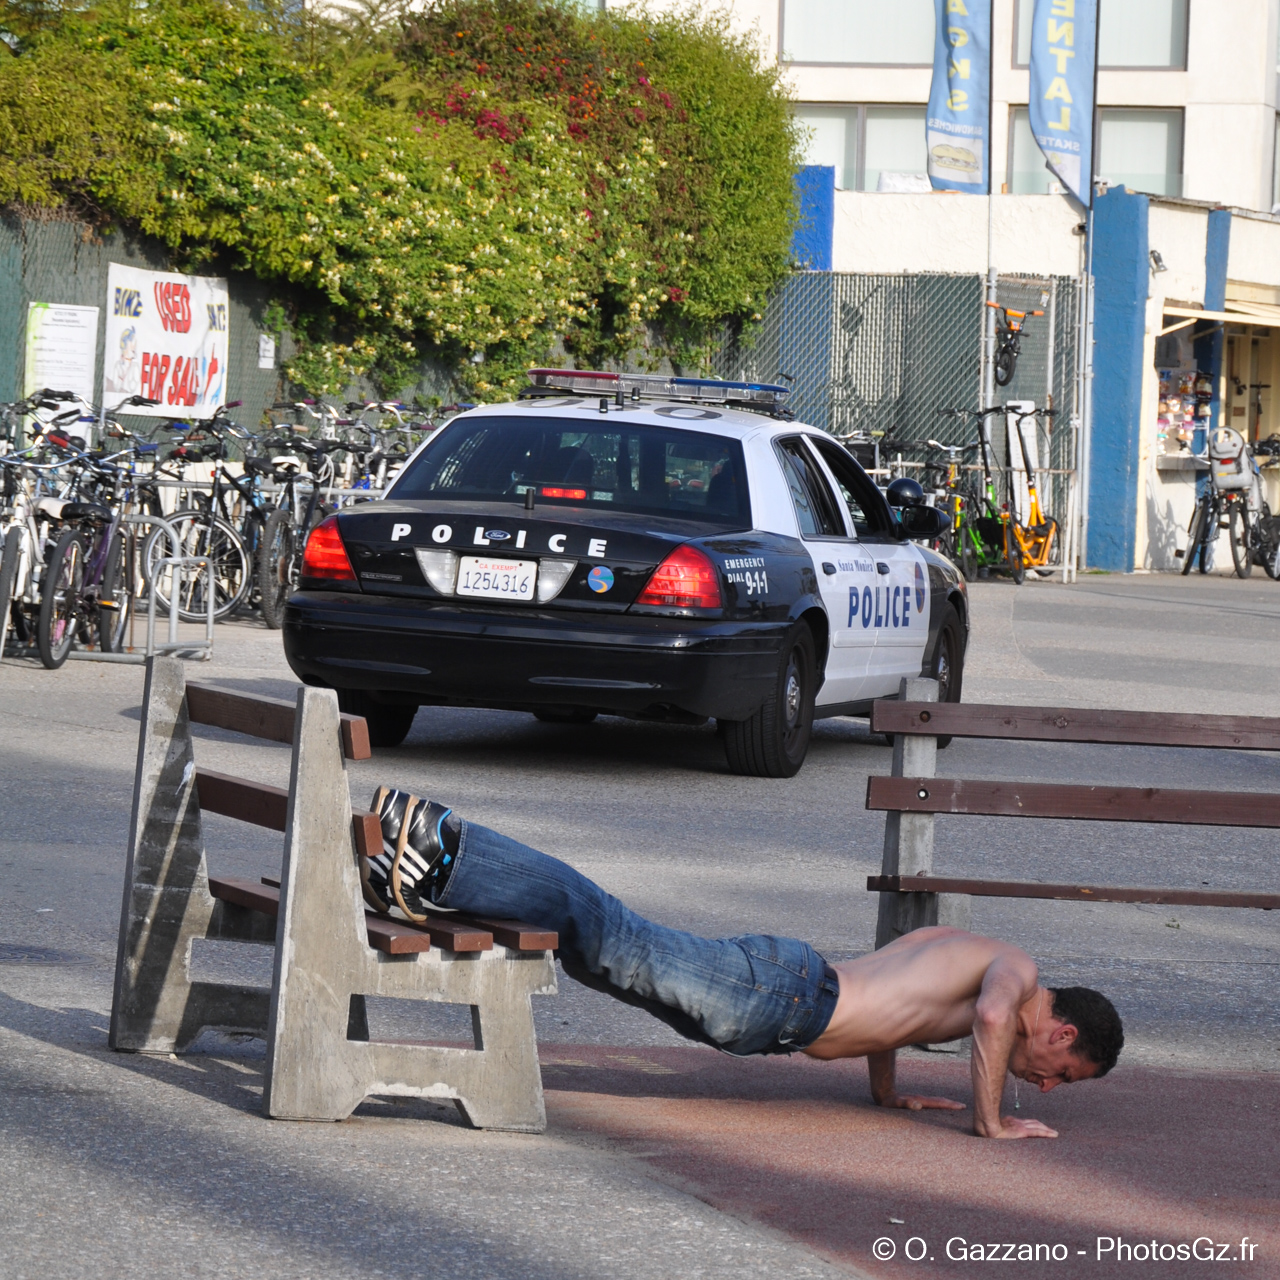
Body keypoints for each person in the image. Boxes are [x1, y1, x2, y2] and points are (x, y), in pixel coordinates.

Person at [366, 788, 1124, 1142]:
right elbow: (989, 1019)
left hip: (791, 994)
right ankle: (444, 840)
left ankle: (425, 875)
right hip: (787, 998)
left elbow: (896, 1010)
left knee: (601, 955)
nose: (1047, 1087)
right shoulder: (1016, 974)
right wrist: (989, 1123)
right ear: (1059, 1034)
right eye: (1063, 1074)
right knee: (611, 936)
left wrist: (888, 1096)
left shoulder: (975, 954)